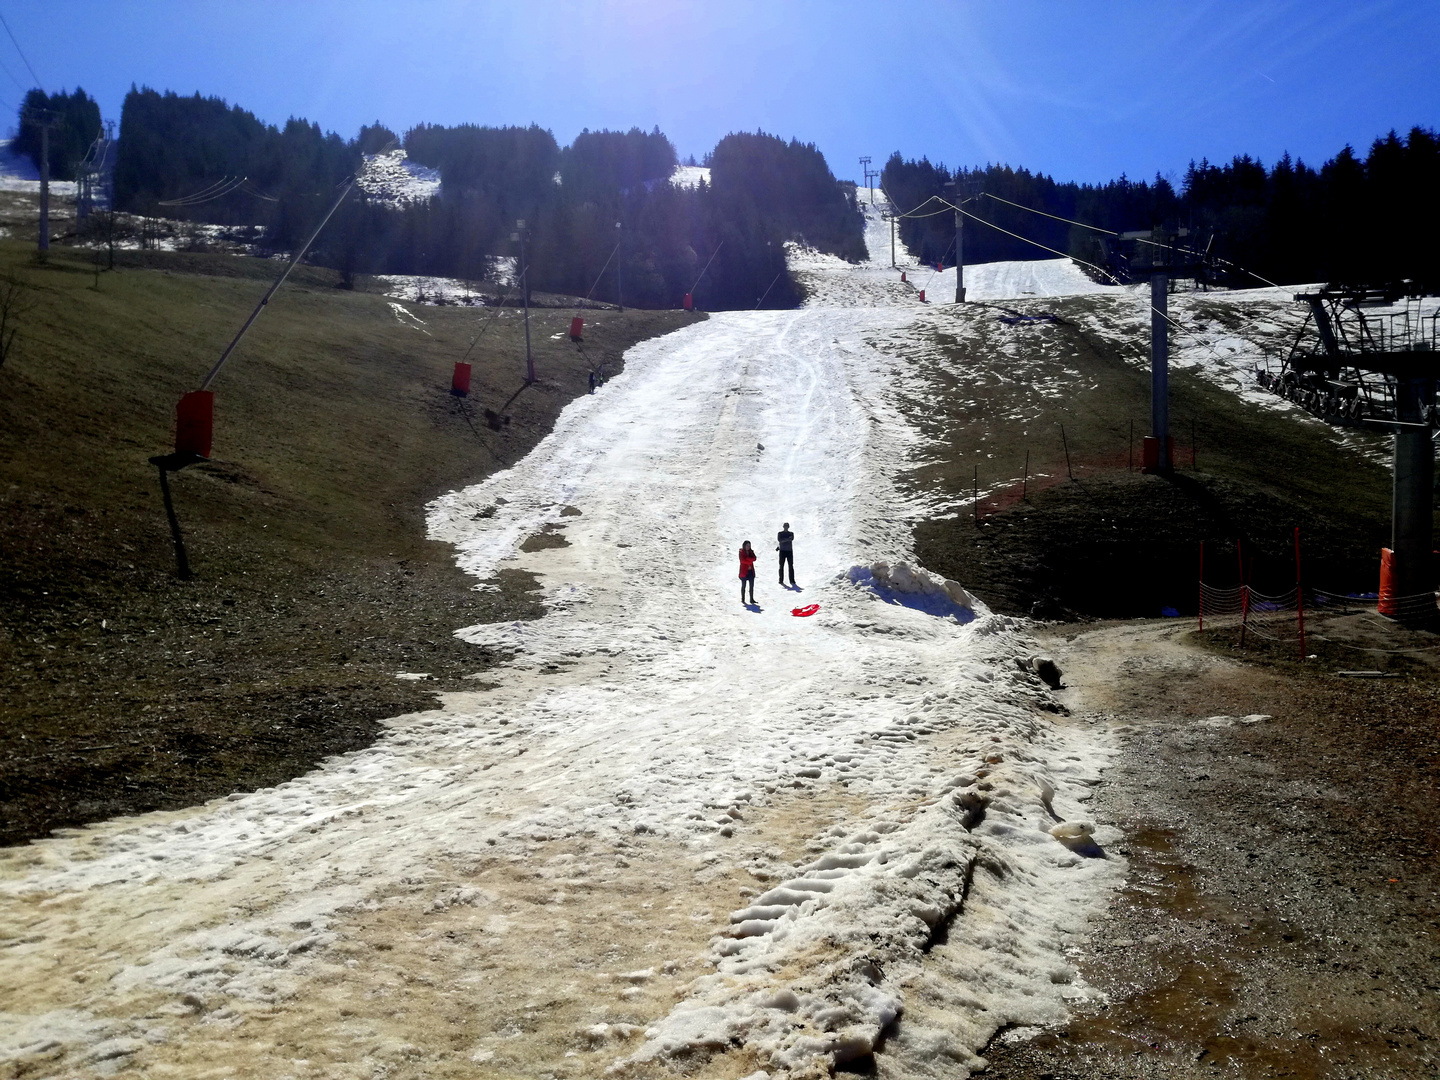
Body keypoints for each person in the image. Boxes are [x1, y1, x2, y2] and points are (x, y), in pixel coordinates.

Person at [776, 522, 795, 587]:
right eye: (785, 526)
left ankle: (792, 580)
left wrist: (784, 540)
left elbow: (791, 539)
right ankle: (781, 580)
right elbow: (780, 540)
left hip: (789, 551)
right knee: (781, 566)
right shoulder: (780, 533)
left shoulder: (791, 533)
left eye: (787, 526)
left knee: (791, 566)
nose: (786, 527)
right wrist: (787, 539)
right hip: (782, 551)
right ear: (783, 527)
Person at [738, 540, 758, 604]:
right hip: (744, 572)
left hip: (750, 571)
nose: (748, 547)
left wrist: (747, 559)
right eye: (747, 545)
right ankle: (743, 599)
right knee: (744, 586)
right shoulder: (741, 552)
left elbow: (754, 558)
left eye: (749, 546)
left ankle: (751, 599)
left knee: (751, 586)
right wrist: (750, 560)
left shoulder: (751, 552)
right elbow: (743, 561)